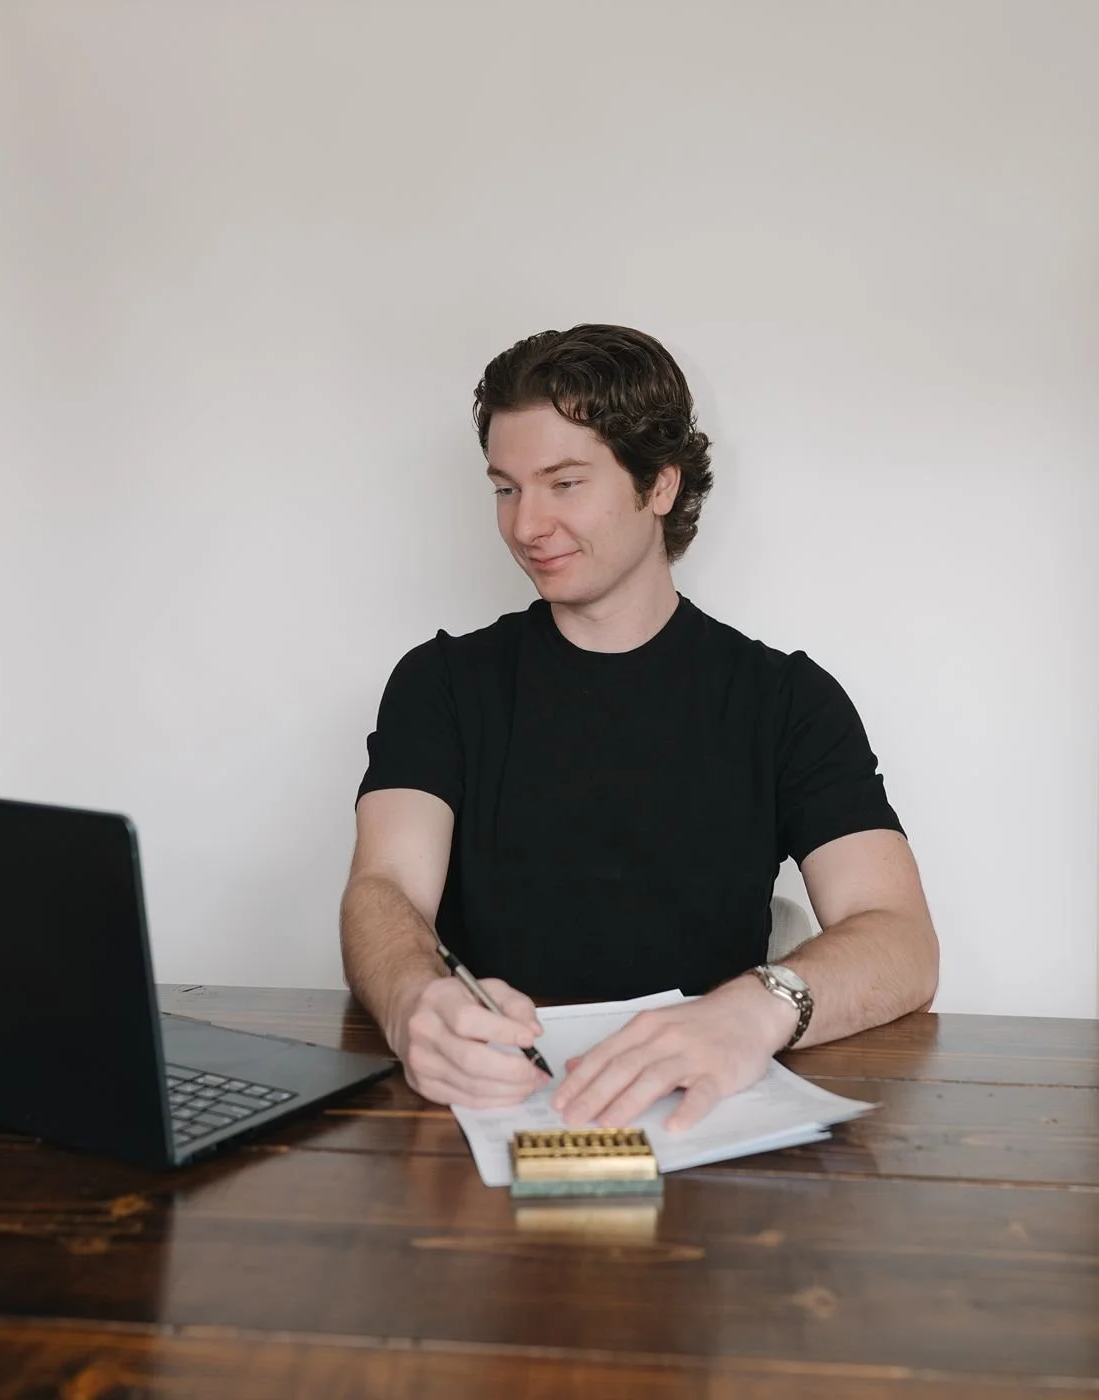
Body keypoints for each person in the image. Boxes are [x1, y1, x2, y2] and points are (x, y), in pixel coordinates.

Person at [340, 324, 938, 1132]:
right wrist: (415, 998)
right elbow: (384, 890)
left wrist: (754, 1012)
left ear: (660, 485)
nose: (526, 526)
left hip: (705, 1118)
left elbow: (900, 939)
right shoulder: (441, 683)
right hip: (489, 1111)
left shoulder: (787, 699)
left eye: (564, 483)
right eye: (506, 488)